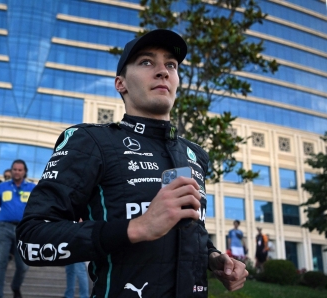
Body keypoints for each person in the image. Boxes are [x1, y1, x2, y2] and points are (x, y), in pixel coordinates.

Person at [16, 29, 248, 297]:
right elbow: (30, 238)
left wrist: (213, 257)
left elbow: (189, 230)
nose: (163, 71)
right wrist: (135, 228)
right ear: (121, 84)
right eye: (147, 62)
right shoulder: (91, 141)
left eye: (171, 65)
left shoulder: (195, 155)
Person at [0, 160, 36, 298]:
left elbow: (38, 209)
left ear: (24, 172)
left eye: (20, 170)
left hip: (23, 230)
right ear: (11, 170)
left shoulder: (32, 188)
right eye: (15, 169)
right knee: (0, 262)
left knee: (23, 265)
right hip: (3, 228)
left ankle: (15, 286)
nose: (17, 172)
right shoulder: (2, 186)